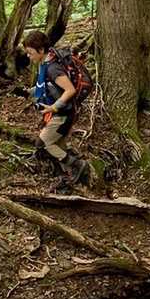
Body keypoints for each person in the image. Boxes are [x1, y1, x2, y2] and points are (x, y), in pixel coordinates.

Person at [22, 29, 93, 187]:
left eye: (30, 52)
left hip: (63, 114)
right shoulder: (46, 63)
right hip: (62, 113)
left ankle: (79, 165)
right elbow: (47, 86)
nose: (28, 56)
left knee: (43, 144)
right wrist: (27, 92)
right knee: (58, 145)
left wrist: (53, 107)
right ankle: (69, 176)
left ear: (41, 50)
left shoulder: (53, 68)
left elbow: (70, 90)